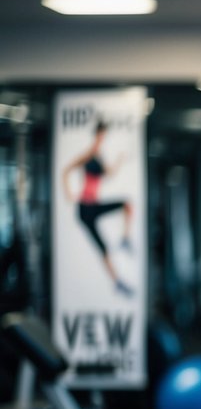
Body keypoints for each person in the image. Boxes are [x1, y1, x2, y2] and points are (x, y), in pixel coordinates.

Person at [62, 120, 135, 297]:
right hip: (85, 209)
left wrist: (119, 161)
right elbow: (67, 170)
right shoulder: (89, 154)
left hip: (93, 206)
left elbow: (108, 174)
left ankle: (124, 241)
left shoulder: (99, 156)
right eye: (102, 135)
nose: (103, 138)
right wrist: (69, 193)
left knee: (126, 205)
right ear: (98, 134)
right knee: (103, 248)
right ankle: (117, 282)